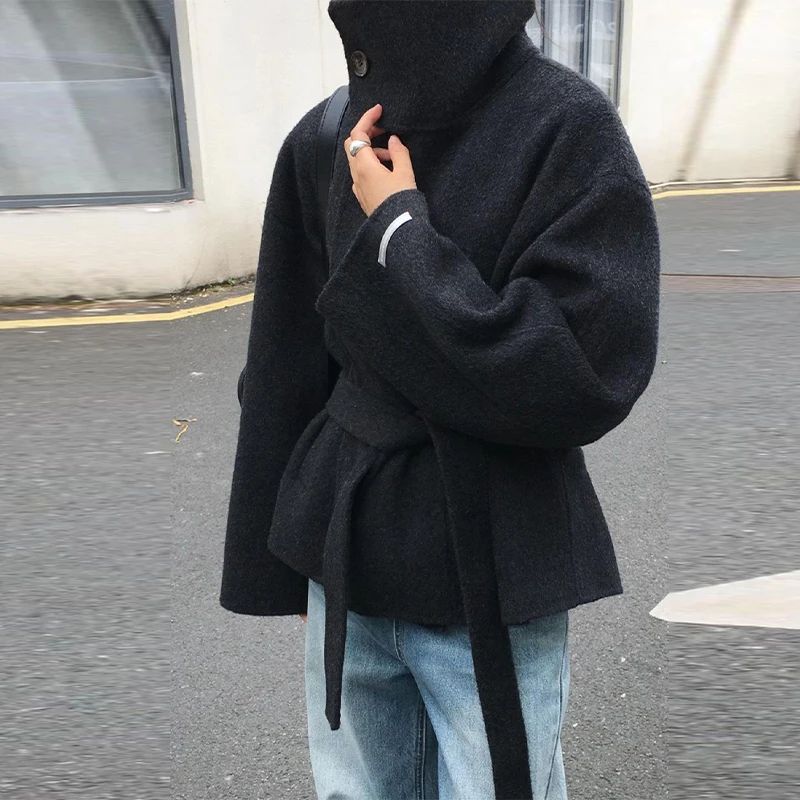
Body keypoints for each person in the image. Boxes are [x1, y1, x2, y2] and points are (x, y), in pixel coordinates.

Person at [219, 1, 661, 798]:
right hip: (347, 552)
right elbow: (285, 362)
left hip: (491, 556)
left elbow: (583, 374)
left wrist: (400, 232)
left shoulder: (565, 127)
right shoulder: (327, 134)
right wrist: (281, 563)